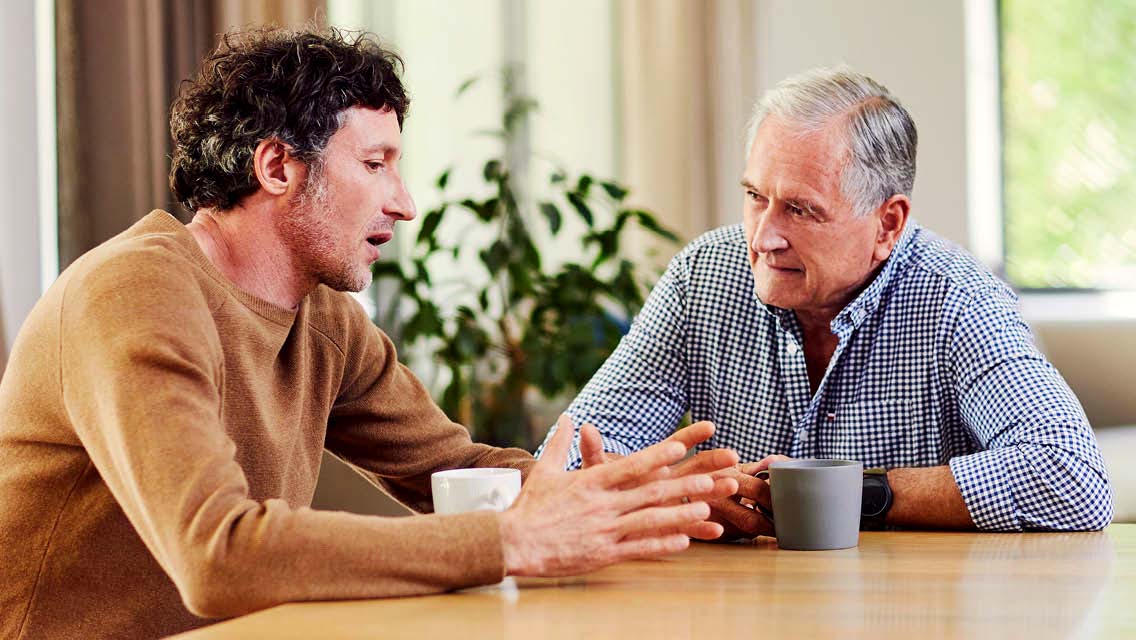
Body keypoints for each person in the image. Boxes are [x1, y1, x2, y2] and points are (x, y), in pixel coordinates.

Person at [0, 28, 741, 639]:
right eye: (375, 164)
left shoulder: (324, 322)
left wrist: (642, 498)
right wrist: (511, 540)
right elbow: (217, 554)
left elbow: (453, 473)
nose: (406, 202)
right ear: (278, 166)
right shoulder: (134, 293)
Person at [539, 66, 1114, 539]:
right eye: (755, 197)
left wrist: (853, 492)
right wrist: (680, 492)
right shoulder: (703, 275)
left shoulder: (959, 297)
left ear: (887, 223)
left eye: (801, 209)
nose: (764, 238)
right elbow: (566, 459)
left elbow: (1072, 477)